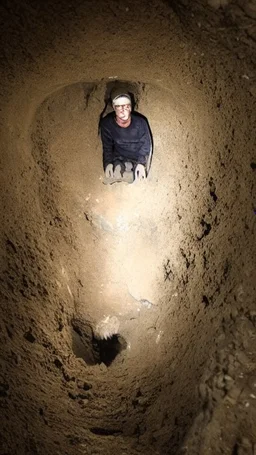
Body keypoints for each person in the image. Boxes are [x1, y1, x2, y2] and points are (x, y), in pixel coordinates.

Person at [100, 93, 152, 181]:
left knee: (133, 174)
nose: (123, 110)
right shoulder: (107, 124)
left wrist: (141, 163)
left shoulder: (141, 122)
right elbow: (107, 146)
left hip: (136, 156)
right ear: (114, 107)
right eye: (119, 107)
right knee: (117, 165)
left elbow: (146, 144)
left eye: (126, 106)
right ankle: (120, 166)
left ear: (131, 107)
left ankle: (131, 167)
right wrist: (108, 163)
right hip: (119, 155)